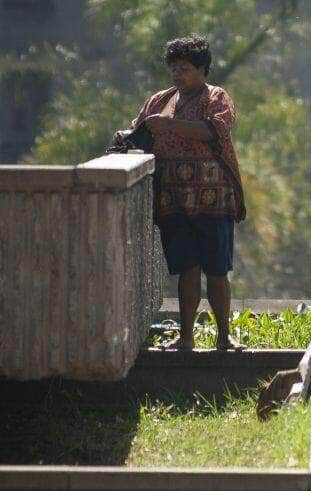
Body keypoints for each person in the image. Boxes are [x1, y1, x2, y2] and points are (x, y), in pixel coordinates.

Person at [117, 35, 246, 351]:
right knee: (187, 268)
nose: (177, 75)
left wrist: (170, 125)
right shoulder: (159, 101)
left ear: (203, 70)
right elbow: (142, 133)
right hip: (173, 200)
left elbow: (215, 131)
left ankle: (223, 336)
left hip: (213, 198)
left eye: (185, 69)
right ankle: (186, 337)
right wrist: (125, 137)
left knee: (217, 269)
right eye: (174, 68)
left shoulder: (217, 98)